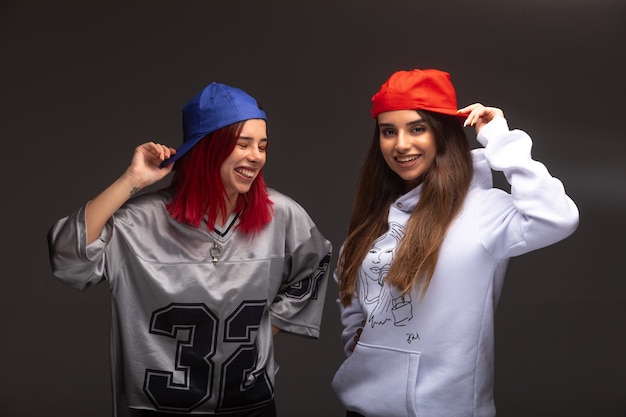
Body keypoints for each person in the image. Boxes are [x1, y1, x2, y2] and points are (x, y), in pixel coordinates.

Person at [47, 82, 332, 417]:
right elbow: (68, 255)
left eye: (262, 145)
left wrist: (267, 329)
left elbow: (315, 262)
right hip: (156, 409)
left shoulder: (281, 214)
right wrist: (130, 182)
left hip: (251, 406)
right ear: (208, 148)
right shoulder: (140, 220)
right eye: (243, 144)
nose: (256, 156)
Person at [330, 69, 579, 417]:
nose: (401, 144)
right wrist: (360, 347)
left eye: (417, 128)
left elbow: (556, 216)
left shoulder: (482, 212)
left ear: (442, 134)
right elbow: (352, 304)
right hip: (362, 410)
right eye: (389, 132)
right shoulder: (374, 219)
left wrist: (500, 139)